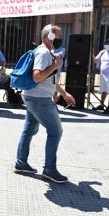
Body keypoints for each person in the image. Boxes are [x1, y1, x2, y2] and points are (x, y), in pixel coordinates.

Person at [14, 24, 75, 184]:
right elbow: (37, 77)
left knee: (29, 130)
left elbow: (49, 80)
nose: (62, 38)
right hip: (40, 99)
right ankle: (49, 170)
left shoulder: (47, 52)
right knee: (56, 131)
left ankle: (21, 164)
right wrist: (55, 66)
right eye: (60, 35)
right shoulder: (43, 52)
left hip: (33, 97)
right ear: (51, 36)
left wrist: (64, 94)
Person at [51, 37, 66, 102]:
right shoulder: (51, 50)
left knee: (55, 88)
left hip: (56, 72)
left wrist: (51, 55)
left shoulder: (62, 49)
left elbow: (59, 55)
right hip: (49, 71)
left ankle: (54, 103)